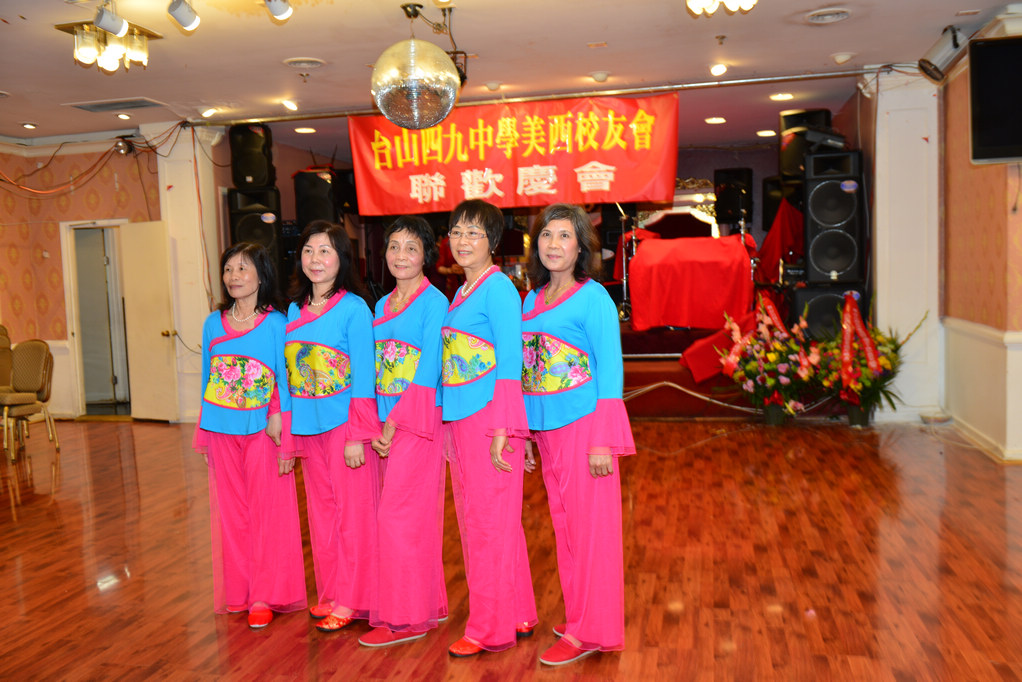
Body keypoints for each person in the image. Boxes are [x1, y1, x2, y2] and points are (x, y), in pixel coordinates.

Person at [520, 203, 635, 666]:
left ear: (581, 246)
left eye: (565, 236)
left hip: (584, 429)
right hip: (547, 432)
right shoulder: (531, 299)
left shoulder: (594, 298)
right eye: (547, 235)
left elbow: (610, 373)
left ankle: (589, 631)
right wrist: (528, 434)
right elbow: (530, 369)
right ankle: (580, 618)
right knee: (566, 530)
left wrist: (603, 440)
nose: (554, 244)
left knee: (591, 536)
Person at [441, 199, 538, 657]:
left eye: (473, 233)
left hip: (488, 421)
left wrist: (504, 427)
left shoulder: (498, 289)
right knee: (496, 523)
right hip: (465, 419)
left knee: (486, 527)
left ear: (494, 242)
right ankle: (517, 612)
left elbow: (511, 363)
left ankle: (488, 628)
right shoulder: (463, 291)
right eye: (457, 232)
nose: (462, 241)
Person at [193, 242, 306, 629]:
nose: (234, 276)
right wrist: (204, 434)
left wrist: (278, 418)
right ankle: (240, 591)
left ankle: (264, 594)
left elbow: (285, 377)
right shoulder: (213, 323)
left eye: (243, 268)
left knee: (266, 513)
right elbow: (208, 379)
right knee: (233, 515)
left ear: (261, 276)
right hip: (221, 428)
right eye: (228, 269)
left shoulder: (277, 323)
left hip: (263, 430)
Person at [284, 220, 380, 632]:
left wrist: (358, 434)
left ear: (342, 258)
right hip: (309, 427)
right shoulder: (294, 310)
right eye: (308, 250)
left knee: (353, 516)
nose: (315, 259)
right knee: (322, 516)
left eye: (325, 250)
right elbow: (288, 373)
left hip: (344, 428)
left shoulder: (354, 308)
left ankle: (355, 599)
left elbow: (364, 378)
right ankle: (332, 593)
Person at [363, 216, 449, 647]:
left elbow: (429, 369)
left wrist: (394, 422)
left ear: (426, 256)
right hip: (385, 424)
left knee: (399, 518)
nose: (401, 255)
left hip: (417, 422)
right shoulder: (382, 304)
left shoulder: (435, 302)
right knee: (401, 519)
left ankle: (407, 618)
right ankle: (420, 607)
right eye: (394, 246)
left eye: (411, 248)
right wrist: (376, 423)